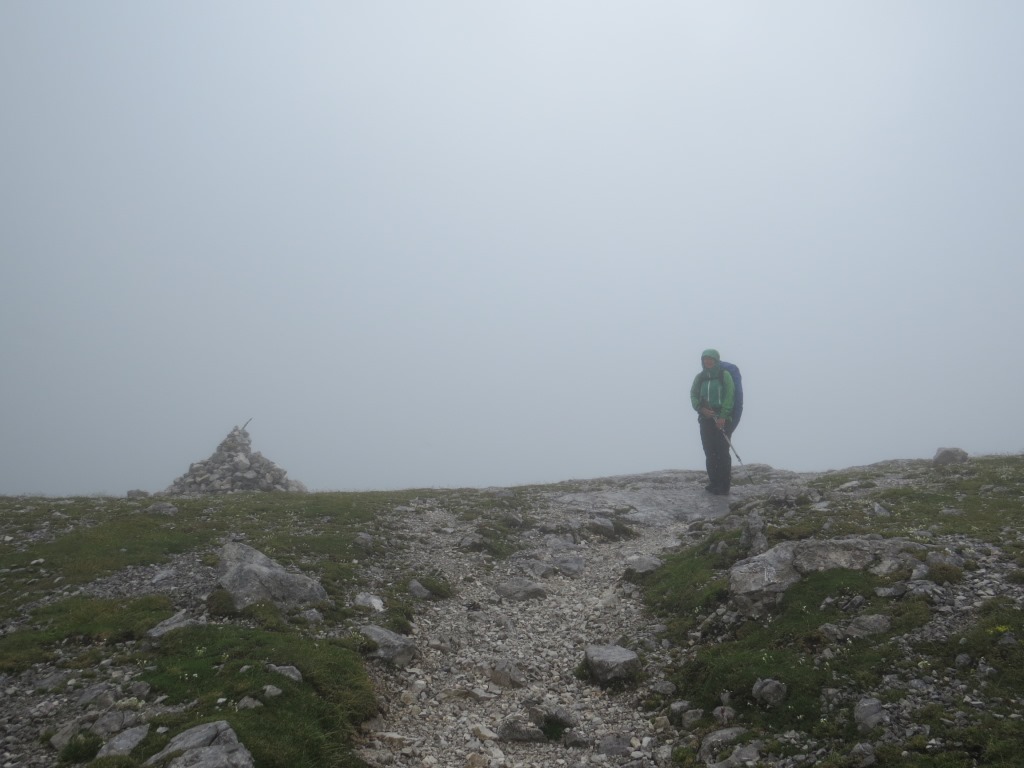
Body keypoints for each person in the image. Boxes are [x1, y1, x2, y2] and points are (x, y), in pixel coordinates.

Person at [689, 348, 735, 495]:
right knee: (709, 451)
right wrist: (701, 409)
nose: (707, 361)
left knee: (722, 451)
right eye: (705, 359)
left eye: (710, 359)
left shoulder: (724, 375)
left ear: (716, 360)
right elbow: (693, 394)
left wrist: (723, 416)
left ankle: (724, 485)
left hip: (722, 419)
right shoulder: (700, 377)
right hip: (705, 419)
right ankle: (714, 482)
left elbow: (730, 395)